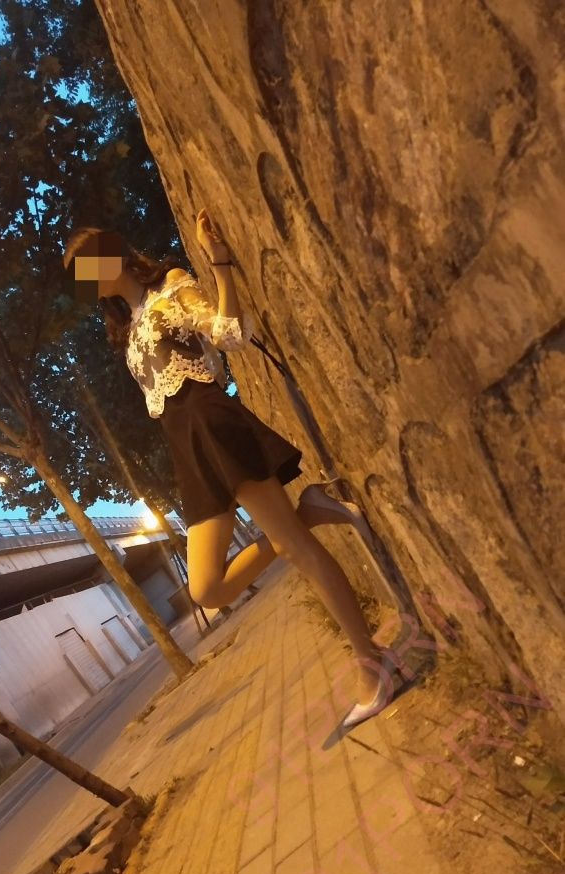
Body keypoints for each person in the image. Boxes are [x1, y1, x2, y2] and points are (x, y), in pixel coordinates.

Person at [62, 210, 399, 728]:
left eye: (89, 264)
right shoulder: (127, 327)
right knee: (207, 589)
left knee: (297, 550)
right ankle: (310, 511)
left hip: (212, 422)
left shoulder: (171, 287)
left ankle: (373, 666)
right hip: (186, 447)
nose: (87, 279)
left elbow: (229, 334)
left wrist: (219, 265)